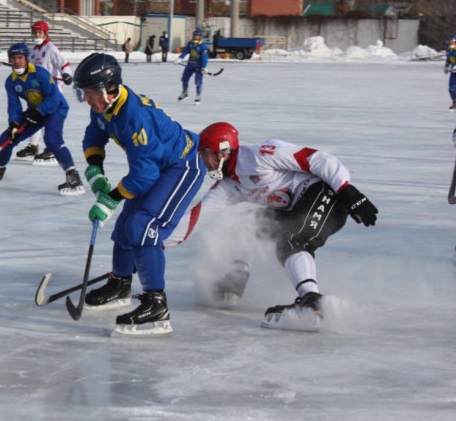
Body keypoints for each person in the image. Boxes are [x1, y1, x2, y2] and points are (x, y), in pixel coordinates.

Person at [168, 122, 378, 331]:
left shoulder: (261, 155)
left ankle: (312, 302)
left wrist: (349, 192)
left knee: (291, 240)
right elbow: (193, 219)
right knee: (243, 225)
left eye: (206, 154)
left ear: (223, 151)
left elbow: (319, 159)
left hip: (328, 195)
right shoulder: (228, 186)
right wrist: (151, 246)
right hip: (296, 208)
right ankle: (235, 280)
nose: (204, 162)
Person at [74, 53, 207, 336]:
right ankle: (121, 284)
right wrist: (95, 169)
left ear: (107, 89)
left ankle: (156, 304)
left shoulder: (134, 118)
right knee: (125, 227)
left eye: (87, 93)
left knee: (143, 227)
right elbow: (94, 136)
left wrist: (110, 198)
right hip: (158, 166)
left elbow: (144, 175)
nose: (85, 99)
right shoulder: (103, 108)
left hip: (182, 166)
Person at [0, 43, 84, 196]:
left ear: (26, 58)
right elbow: (14, 106)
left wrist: (38, 111)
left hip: (55, 109)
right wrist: (14, 124)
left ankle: (74, 178)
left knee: (52, 140)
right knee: (6, 139)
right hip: (34, 111)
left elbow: (54, 98)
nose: (17, 61)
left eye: (20, 58)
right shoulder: (11, 81)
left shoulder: (40, 73)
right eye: (13, 58)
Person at [15, 20, 74, 165]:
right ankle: (33, 147)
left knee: (49, 118)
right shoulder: (33, 50)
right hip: (38, 90)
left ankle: (51, 148)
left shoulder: (50, 49)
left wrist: (67, 74)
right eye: (35, 32)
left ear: (45, 33)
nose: (37, 35)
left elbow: (64, 64)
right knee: (34, 116)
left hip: (53, 89)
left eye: (39, 32)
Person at [176, 29, 209, 104]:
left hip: (198, 66)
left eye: (197, 36)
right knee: (184, 79)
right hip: (190, 65)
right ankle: (185, 92)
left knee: (198, 81)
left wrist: (204, 67)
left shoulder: (202, 46)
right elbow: (185, 51)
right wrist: (180, 58)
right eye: (194, 35)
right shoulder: (190, 43)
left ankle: (198, 95)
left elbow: (204, 58)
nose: (195, 37)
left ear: (200, 37)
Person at [445, 34, 456, 111]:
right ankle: (454, 102)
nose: (449, 42)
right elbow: (449, 59)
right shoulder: (449, 49)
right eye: (448, 41)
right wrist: (446, 66)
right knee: (451, 89)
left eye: (450, 41)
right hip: (453, 71)